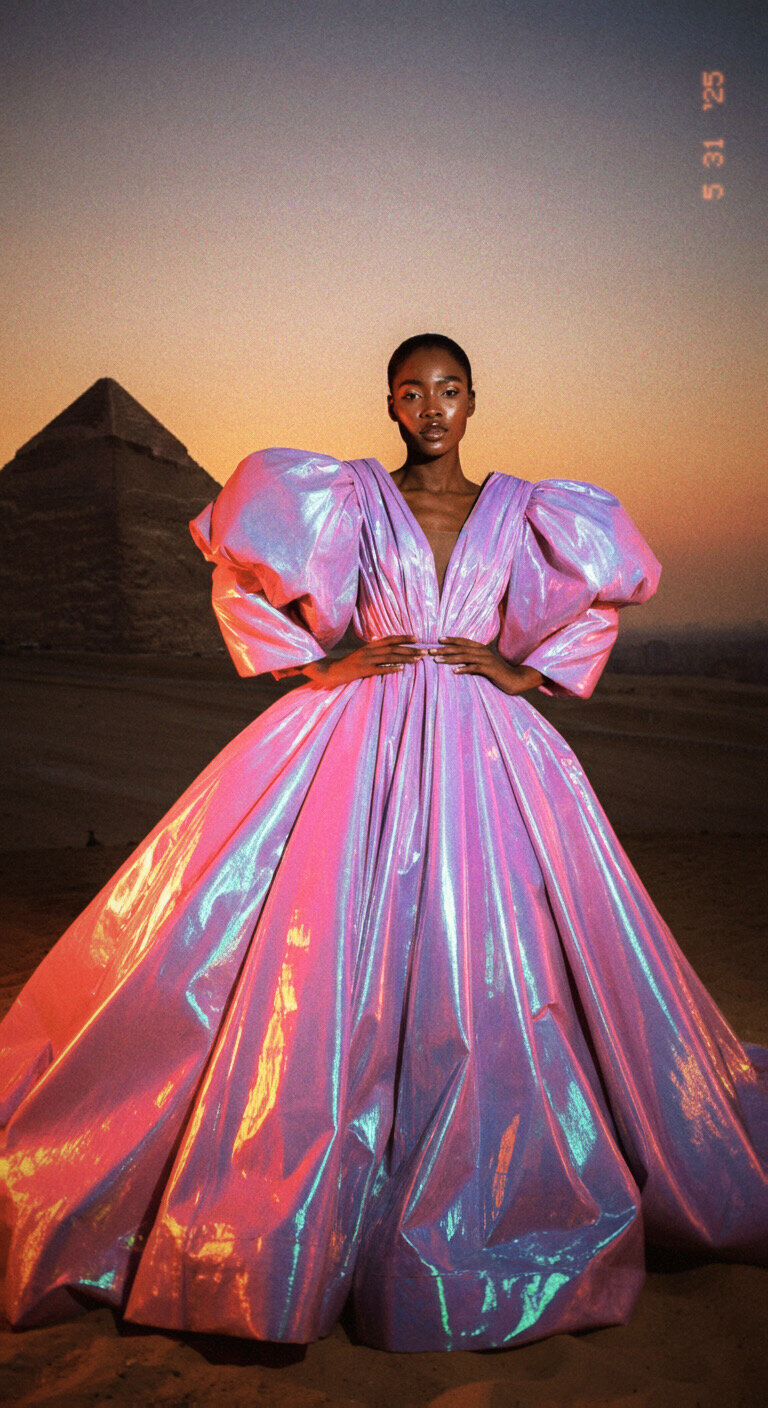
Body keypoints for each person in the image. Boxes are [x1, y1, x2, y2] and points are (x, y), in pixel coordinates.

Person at [0, 334, 766, 1353]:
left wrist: (524, 673)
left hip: (490, 752)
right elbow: (237, 574)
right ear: (392, 405)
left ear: (474, 399)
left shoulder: (530, 506)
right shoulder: (348, 498)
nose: (434, 406)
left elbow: (608, 591)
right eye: (414, 391)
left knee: (499, 960)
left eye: (450, 389)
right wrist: (316, 668)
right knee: (325, 959)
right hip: (357, 744)